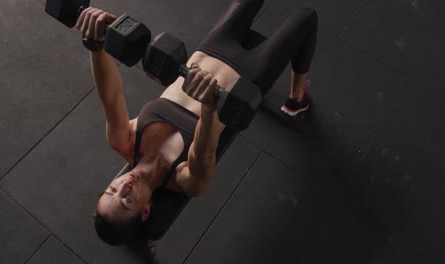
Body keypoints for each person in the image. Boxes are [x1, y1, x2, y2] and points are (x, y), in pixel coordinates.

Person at [76, 0, 318, 245]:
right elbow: (206, 151)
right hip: (246, 78)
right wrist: (209, 106)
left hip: (210, 51)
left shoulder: (124, 140)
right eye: (127, 201)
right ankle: (296, 99)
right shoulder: (185, 180)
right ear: (146, 210)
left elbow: (110, 96)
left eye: (112, 190)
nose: (124, 186)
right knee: (306, 17)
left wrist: (95, 45)